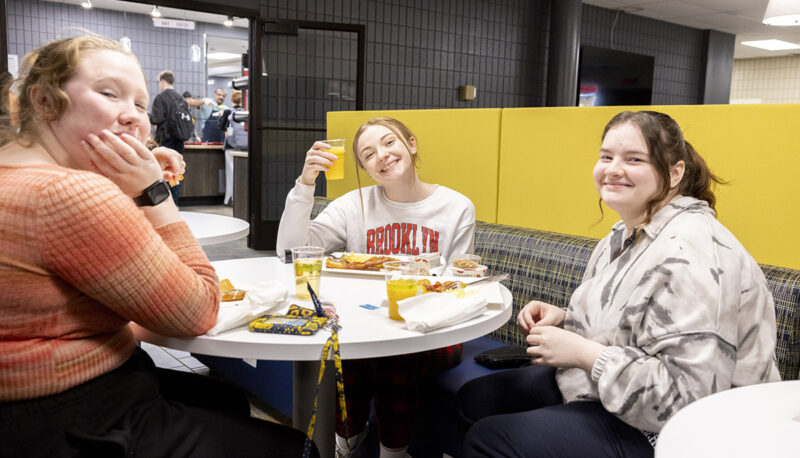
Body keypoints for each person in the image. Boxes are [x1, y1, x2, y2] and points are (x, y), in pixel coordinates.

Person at [0, 35, 316, 458]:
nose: (133, 118)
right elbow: (197, 310)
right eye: (109, 93)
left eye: (140, 104)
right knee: (296, 448)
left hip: (33, 401)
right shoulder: (68, 192)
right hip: (67, 416)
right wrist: (152, 192)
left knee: (226, 400)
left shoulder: (15, 171)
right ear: (43, 101)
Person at [456, 110, 780, 457]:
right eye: (606, 156)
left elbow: (684, 400)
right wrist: (567, 319)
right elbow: (644, 323)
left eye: (634, 159)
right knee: (473, 400)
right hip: (612, 390)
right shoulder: (628, 232)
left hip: (681, 433)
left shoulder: (690, 254)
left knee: (491, 439)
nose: (612, 169)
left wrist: (583, 352)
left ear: (675, 173)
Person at [276, 117, 476, 457]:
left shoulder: (456, 207)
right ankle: (346, 444)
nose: (381, 155)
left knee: (390, 353)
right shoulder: (355, 205)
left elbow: (459, 284)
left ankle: (391, 453)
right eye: (368, 154)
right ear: (365, 168)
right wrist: (306, 183)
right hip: (368, 326)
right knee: (350, 352)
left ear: (411, 144)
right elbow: (291, 252)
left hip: (435, 332)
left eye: (389, 143)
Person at [149, 69, 192, 206]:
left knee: (164, 172)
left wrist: (146, 116)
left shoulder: (161, 98)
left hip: (166, 140)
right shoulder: (182, 100)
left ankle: (165, 205)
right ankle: (175, 203)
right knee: (177, 171)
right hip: (179, 140)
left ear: (162, 81)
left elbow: (157, 118)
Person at [221, 90, 247, 206]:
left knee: (230, 174)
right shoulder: (246, 113)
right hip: (244, 148)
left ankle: (229, 199)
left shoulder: (228, 112)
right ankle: (241, 198)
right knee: (242, 175)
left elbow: (221, 126)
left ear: (231, 100)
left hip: (231, 148)